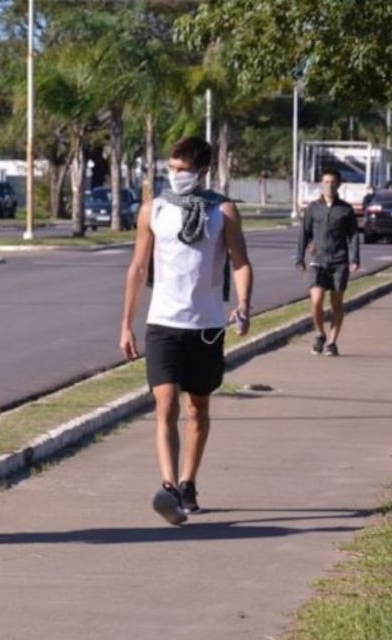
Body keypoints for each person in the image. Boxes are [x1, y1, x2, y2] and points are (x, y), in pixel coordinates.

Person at [119, 136, 253, 525]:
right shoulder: (154, 210)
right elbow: (138, 269)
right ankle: (169, 487)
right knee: (166, 405)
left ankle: (188, 481)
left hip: (207, 326)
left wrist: (243, 305)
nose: (175, 175)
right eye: (172, 168)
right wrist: (126, 323)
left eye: (183, 169)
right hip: (162, 324)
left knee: (198, 408)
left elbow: (240, 262)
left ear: (202, 171)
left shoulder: (222, 212)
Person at [295, 168, 360, 357]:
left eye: (332, 182)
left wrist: (354, 259)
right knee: (316, 301)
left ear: (339, 184)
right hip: (318, 261)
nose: (329, 185)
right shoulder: (313, 208)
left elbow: (354, 236)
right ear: (321, 185)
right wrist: (300, 257)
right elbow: (304, 234)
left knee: (336, 304)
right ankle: (319, 334)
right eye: (325, 182)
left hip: (339, 262)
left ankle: (332, 342)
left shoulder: (346, 210)